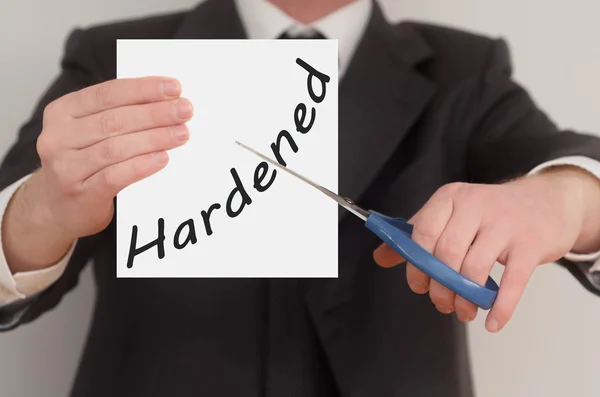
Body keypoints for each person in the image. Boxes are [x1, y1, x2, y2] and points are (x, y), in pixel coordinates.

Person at [0, 0, 599, 395]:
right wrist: (45, 209)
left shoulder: (465, 71)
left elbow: (575, 169)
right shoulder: (112, 59)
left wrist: (563, 199)